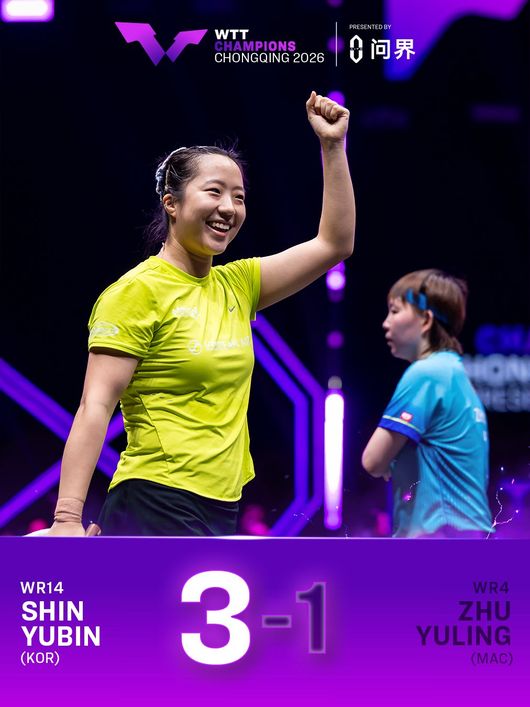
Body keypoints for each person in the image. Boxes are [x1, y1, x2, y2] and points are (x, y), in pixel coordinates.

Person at [48, 91, 355, 536]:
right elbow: (95, 405)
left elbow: (334, 244)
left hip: (222, 506)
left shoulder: (238, 285)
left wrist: (332, 146)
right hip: (155, 499)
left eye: (239, 197)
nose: (228, 208)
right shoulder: (136, 292)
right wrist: (66, 519)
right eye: (214, 191)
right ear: (171, 203)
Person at [361, 269, 492, 538]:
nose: (385, 323)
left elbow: (372, 460)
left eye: (394, 311)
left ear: (426, 320)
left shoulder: (426, 374)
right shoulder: (456, 374)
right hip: (468, 539)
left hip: (436, 543)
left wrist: (388, 460)